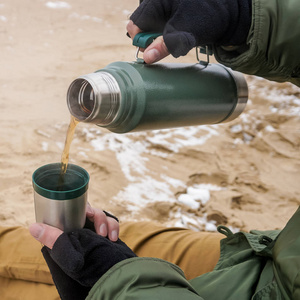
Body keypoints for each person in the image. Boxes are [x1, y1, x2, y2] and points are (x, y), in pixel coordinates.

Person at [2, 0, 299, 299]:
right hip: (266, 254)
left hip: (265, 281)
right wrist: (247, 19)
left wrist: (120, 283)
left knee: (17, 262)